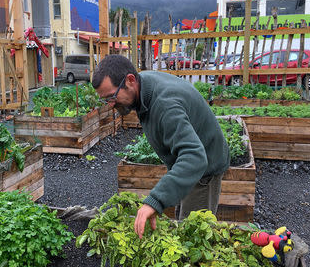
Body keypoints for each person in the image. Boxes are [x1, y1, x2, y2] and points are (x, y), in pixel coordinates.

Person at [92, 55, 230, 239]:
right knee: (182, 222)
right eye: (105, 100)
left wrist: (154, 201)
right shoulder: (143, 85)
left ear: (130, 81)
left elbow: (194, 158)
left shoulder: (165, 105)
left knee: (192, 238)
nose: (110, 105)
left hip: (204, 171)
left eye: (112, 97)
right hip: (189, 163)